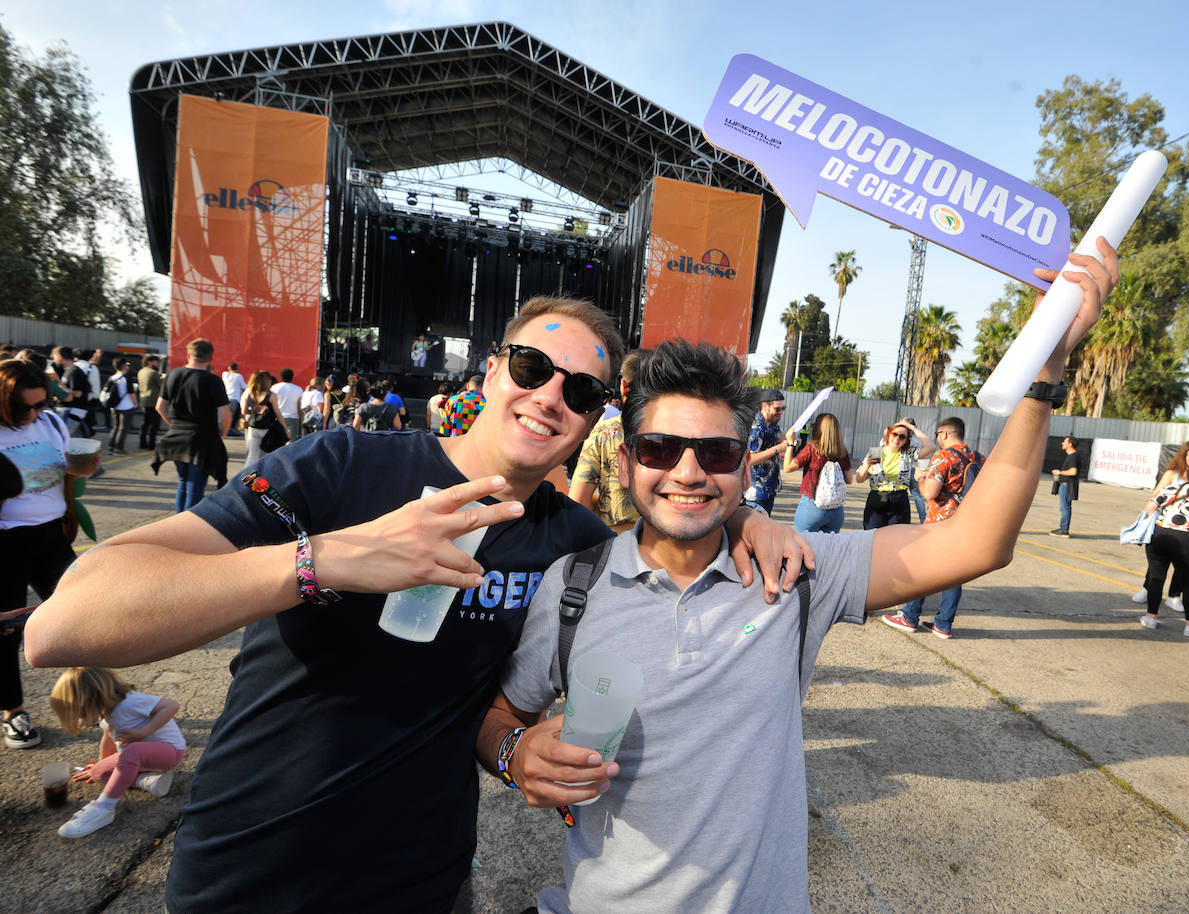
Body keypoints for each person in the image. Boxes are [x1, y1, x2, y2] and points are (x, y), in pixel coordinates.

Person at [25, 295, 808, 913]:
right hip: (251, 871)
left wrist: (743, 513)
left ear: (598, 412)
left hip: (426, 887)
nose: (549, 397)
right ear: (494, 369)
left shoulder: (569, 543)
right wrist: (325, 558)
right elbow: (64, 624)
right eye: (533, 366)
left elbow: (678, 514)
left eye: (583, 389)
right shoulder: (342, 467)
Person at [479, 242, 1115, 911]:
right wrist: (514, 753)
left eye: (719, 452)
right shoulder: (571, 587)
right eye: (662, 449)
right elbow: (499, 719)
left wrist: (1045, 376)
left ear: (745, 464)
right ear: (629, 461)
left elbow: (978, 541)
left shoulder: (796, 573)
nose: (689, 473)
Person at [0, 360, 87, 750]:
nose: (35, 413)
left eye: (39, 405)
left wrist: (82, 470)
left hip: (52, 534)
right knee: (6, 630)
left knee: (77, 618)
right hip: (6, 542)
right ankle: (12, 711)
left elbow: (66, 467)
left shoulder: (50, 423)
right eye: (25, 408)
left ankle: (91, 696)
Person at [48, 666, 186, 838]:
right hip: (138, 758)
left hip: (169, 752)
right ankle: (147, 781)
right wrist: (101, 764)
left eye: (81, 711)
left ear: (93, 697)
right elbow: (108, 738)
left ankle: (104, 808)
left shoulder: (130, 702)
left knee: (133, 750)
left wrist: (144, 732)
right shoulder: (105, 713)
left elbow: (171, 705)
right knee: (98, 774)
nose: (81, 718)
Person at [881, 416, 985, 639]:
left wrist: (920, 478)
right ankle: (943, 624)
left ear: (945, 434)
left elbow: (930, 492)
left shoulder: (944, 456)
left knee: (922, 568)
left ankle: (909, 616)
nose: (937, 439)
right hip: (966, 522)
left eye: (938, 434)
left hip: (939, 523)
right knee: (954, 574)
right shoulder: (976, 457)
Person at [154, 338, 231, 512]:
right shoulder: (213, 381)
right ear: (211, 358)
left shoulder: (172, 375)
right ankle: (186, 529)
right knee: (195, 487)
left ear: (188, 354)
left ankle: (178, 521)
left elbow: (160, 407)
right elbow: (226, 414)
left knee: (183, 482)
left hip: (176, 437)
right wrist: (222, 433)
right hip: (202, 439)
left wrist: (174, 425)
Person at [1139, 465, 1189, 637]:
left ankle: (1151, 617)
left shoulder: (1171, 488)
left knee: (1156, 578)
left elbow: (1150, 508)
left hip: (1159, 536)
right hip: (1185, 541)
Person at [570, 351, 643, 532]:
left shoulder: (603, 432)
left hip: (612, 540)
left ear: (623, 385)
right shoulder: (671, 435)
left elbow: (578, 501)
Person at [1132, 440, 1189, 607]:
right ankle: (1148, 589)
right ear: (1183, 455)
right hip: (1166, 526)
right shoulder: (1172, 473)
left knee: (1184, 565)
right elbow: (1156, 495)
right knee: (1158, 562)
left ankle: (1174, 596)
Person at [783, 411, 853, 533]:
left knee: (802, 547)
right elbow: (849, 479)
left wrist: (790, 443)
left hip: (812, 506)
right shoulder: (842, 451)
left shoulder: (812, 448)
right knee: (827, 549)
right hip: (836, 510)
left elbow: (788, 467)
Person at [855, 422, 920, 528]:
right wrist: (866, 466)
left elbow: (929, 446)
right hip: (878, 498)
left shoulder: (908, 454)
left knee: (898, 539)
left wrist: (909, 426)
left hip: (899, 498)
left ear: (907, 440)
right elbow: (859, 479)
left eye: (902, 436)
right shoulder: (876, 452)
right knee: (873, 537)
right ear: (888, 434)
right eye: (894, 434)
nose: (897, 438)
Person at [746, 388, 787, 514]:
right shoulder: (757, 428)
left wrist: (787, 438)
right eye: (777, 409)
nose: (780, 412)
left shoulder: (772, 424)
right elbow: (750, 460)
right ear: (765, 406)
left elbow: (778, 438)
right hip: (756, 494)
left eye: (783, 409)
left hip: (769, 488)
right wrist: (777, 449)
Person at [241, 370, 288, 467]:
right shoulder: (271, 395)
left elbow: (244, 411)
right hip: (267, 429)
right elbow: (277, 414)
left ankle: (249, 481)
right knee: (266, 457)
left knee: (252, 456)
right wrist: (285, 428)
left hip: (253, 427)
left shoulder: (250, 393)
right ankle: (264, 480)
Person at [900, 416, 937, 523]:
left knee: (914, 495)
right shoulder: (917, 439)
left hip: (910, 469)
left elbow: (930, 447)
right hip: (914, 468)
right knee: (917, 496)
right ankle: (923, 519)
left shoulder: (910, 439)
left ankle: (923, 519)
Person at [1048, 434, 1082, 537]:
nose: (1062, 443)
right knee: (1065, 507)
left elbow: (1073, 471)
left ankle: (1064, 530)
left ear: (1070, 444)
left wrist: (1060, 472)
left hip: (1067, 485)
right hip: (1066, 484)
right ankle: (1063, 528)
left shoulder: (1073, 456)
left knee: (1065, 508)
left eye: (1065, 442)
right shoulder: (1072, 456)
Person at [55, 347, 92, 437]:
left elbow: (78, 393)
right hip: (71, 410)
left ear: (60, 357)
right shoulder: (69, 370)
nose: (54, 360)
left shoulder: (75, 372)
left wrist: (59, 385)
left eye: (54, 357)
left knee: (62, 438)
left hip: (72, 411)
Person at [105, 358, 138, 455]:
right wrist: (135, 402)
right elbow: (131, 392)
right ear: (123, 366)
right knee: (123, 428)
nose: (128, 366)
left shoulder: (113, 377)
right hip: (126, 406)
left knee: (115, 427)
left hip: (114, 405)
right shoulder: (126, 377)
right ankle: (119, 448)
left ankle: (111, 447)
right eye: (127, 364)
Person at [137, 355, 164, 449]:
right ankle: (151, 444)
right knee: (155, 424)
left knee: (145, 423)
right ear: (150, 362)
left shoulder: (141, 371)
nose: (158, 364)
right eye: (157, 362)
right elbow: (162, 386)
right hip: (154, 401)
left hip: (144, 400)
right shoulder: (153, 373)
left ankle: (142, 443)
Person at [270, 368, 304, 441]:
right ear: (292, 377)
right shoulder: (298, 389)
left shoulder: (274, 388)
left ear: (281, 376)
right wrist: (300, 421)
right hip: (293, 418)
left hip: (277, 417)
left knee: (277, 441)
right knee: (292, 442)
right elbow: (299, 407)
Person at [221, 362, 246, 434]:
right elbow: (244, 386)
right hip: (235, 399)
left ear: (229, 368)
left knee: (226, 415)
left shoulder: (225, 375)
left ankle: (225, 429)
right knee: (234, 416)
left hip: (226, 398)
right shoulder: (238, 376)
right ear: (237, 369)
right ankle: (230, 430)